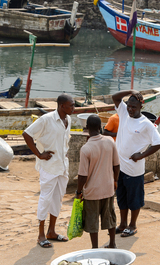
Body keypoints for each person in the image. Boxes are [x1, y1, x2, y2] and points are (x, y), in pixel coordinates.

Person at [22, 94, 75, 248]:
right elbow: (27, 134)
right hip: (49, 165)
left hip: (62, 165)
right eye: (70, 105)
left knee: (58, 198)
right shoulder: (46, 120)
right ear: (61, 105)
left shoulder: (68, 120)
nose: (73, 108)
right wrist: (39, 154)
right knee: (45, 198)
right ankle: (40, 234)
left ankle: (51, 231)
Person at [111, 90, 160, 237]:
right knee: (121, 197)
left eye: (134, 107)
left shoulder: (146, 124)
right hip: (119, 166)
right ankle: (122, 224)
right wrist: (130, 91)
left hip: (134, 169)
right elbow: (115, 97)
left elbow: (158, 143)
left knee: (134, 199)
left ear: (140, 107)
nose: (130, 109)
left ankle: (132, 225)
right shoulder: (123, 113)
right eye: (129, 106)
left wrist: (141, 155)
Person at [77, 115, 120, 249]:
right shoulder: (109, 142)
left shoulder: (86, 149)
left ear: (87, 128)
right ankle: (112, 243)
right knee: (110, 217)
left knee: (92, 220)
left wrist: (79, 191)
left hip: (92, 191)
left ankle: (95, 248)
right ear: (100, 127)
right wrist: (115, 181)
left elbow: (82, 175)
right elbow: (116, 165)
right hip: (108, 188)